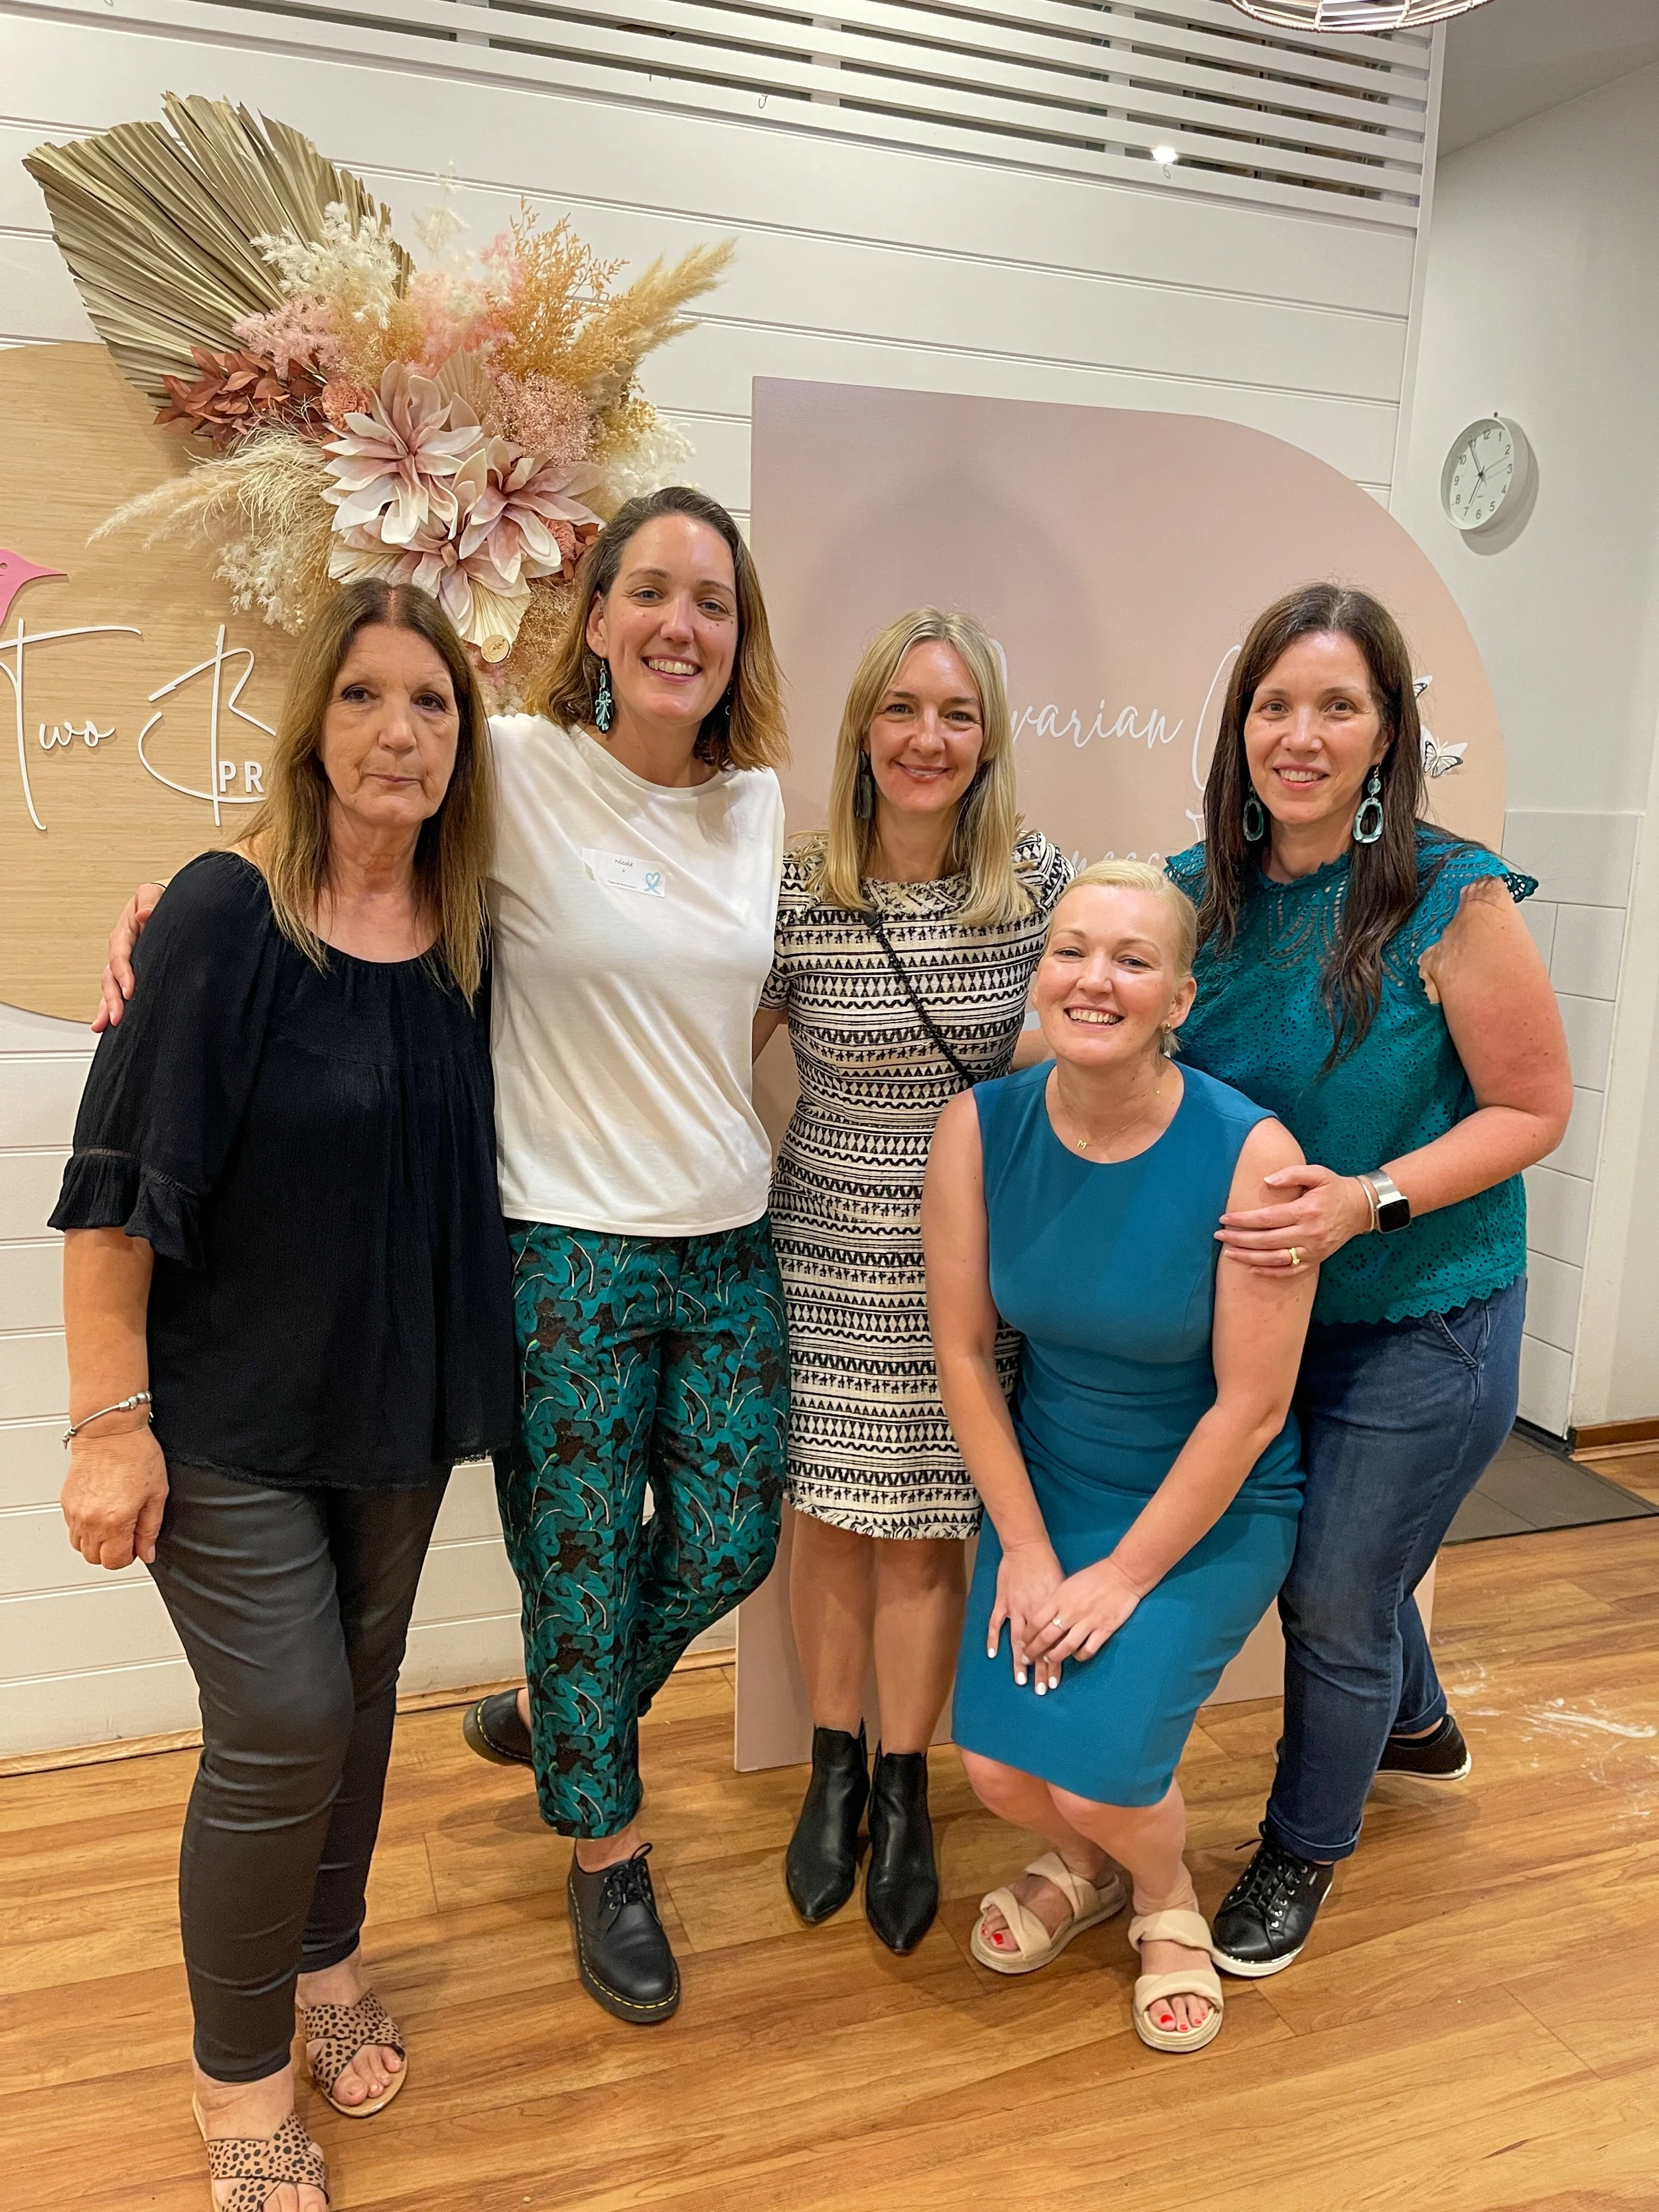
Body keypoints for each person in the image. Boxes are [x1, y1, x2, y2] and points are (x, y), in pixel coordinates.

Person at [97, 488, 794, 2031]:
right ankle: (606, 1847)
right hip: (557, 1243)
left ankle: (565, 1707)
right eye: (652, 591)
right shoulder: (521, 768)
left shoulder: (757, 808)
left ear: (740, 638)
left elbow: (727, 1004)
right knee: (584, 1561)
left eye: (716, 602)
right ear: (596, 617)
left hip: (725, 1235)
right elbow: (347, 809)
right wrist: (173, 901)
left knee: (734, 1538)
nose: (682, 624)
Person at [57, 579, 512, 2212]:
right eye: (368, 697)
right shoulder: (221, 913)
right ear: (313, 721)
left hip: (391, 1403)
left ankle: (326, 1960)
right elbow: (116, 1185)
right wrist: (108, 1421)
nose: (402, 732)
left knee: (365, 1694)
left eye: (435, 705)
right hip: (226, 1416)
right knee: (285, 1723)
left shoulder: (470, 933)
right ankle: (235, 2077)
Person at [1165, 582, 1571, 1977]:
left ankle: (1300, 1843)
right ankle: (1412, 1722)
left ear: (1386, 733)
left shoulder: (1447, 896)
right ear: (1239, 726)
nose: (1300, 733)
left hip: (1426, 1309)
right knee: (1340, 1552)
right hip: (1263, 1321)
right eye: (1274, 703)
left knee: (1332, 1591)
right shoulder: (1191, 893)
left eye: (1336, 705)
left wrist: (1366, 1198)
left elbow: (1529, 1108)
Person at [925, 862, 1317, 2053]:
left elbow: (1250, 1412)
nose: (1095, 979)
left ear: (1180, 998)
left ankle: (1162, 1896)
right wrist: (1033, 1553)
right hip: (1049, 1488)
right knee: (996, 1776)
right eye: (1071, 951)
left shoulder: (1251, 1155)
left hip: (1209, 1506)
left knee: (1096, 1778)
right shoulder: (980, 1128)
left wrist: (1123, 1574)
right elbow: (960, 1355)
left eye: (1133, 960)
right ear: (1041, 974)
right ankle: (1087, 1872)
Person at [753, 608, 1068, 1953]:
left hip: (965, 1257)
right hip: (818, 1235)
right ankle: (831, 1771)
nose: (924, 739)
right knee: (829, 1509)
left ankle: (905, 1783)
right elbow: (691, 1035)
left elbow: (1086, 1048)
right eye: (900, 710)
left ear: (985, 736)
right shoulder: (798, 888)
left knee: (930, 1523)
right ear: (860, 728)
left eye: (952, 714)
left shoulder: (1034, 885)